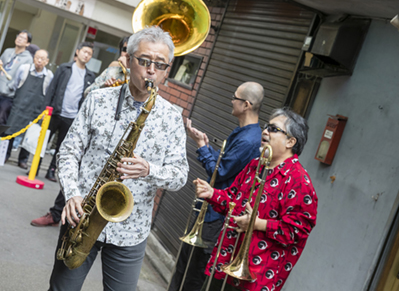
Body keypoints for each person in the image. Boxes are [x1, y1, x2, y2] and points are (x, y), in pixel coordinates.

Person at [47, 26, 189, 291]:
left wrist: (149, 169)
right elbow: (68, 151)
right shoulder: (98, 99)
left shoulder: (171, 117)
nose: (151, 70)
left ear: (167, 69)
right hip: (83, 216)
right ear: (129, 59)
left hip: (131, 230)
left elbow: (180, 174)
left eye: (160, 65)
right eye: (145, 61)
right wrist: (72, 193)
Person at [195, 107, 318, 291]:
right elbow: (233, 201)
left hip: (256, 278)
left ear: (290, 142)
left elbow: (297, 230)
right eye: (266, 127)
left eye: (274, 129)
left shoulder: (300, 182)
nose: (265, 131)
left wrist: (257, 224)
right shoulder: (255, 164)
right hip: (226, 262)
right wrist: (212, 194)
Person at [168, 81, 265, 291]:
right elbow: (224, 165)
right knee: (184, 267)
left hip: (216, 215)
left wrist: (202, 148)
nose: (231, 101)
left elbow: (218, 173)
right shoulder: (242, 133)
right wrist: (206, 146)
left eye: (235, 97)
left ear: (246, 104)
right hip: (211, 209)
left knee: (192, 274)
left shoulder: (249, 140)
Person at [43, 41, 96, 182]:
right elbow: (52, 89)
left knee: (61, 148)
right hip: (55, 112)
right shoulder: (64, 68)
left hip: (72, 118)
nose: (87, 55)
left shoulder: (90, 76)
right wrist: (46, 109)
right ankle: (34, 167)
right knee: (44, 141)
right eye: (85, 52)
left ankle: (51, 171)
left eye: (90, 54)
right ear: (77, 52)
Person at [4, 49, 54, 168]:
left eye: (42, 59)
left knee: (30, 135)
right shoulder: (24, 69)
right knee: (11, 130)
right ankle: (6, 154)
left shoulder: (49, 76)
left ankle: (23, 160)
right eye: (37, 57)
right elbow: (16, 85)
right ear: (33, 58)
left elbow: (47, 94)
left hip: (35, 109)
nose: (39, 61)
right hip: (19, 106)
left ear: (47, 61)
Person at [0, 30, 33, 125]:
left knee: (1, 120)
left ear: (28, 43)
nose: (19, 39)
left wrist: (10, 87)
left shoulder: (28, 59)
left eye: (23, 38)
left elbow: (23, 78)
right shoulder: (7, 51)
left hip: (8, 96)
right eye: (19, 36)